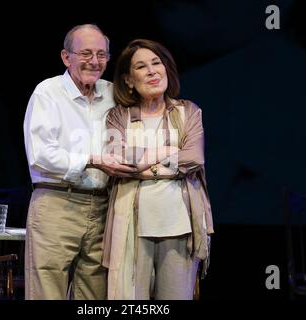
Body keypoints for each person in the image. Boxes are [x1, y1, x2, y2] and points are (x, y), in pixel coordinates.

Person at [23, 24, 136, 300]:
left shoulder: (112, 94)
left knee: (95, 297)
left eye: (101, 54)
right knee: (47, 291)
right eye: (86, 53)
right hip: (57, 202)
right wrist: (92, 159)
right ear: (66, 57)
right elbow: (40, 155)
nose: (94, 61)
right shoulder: (47, 93)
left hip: (103, 206)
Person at [102, 39, 214, 300]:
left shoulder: (188, 112)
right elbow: (119, 160)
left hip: (179, 226)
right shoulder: (119, 116)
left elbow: (194, 158)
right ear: (129, 80)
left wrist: (143, 167)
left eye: (156, 63)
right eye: (141, 67)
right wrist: (166, 152)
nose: (152, 71)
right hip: (131, 226)